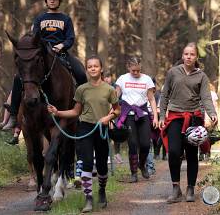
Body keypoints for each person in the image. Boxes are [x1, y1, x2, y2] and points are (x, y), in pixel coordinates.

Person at [4, 0, 87, 144]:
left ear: (59, 0)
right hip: (41, 55)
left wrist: (61, 45)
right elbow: (33, 36)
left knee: (81, 73)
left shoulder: (65, 19)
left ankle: (84, 109)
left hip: (60, 53)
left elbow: (70, 38)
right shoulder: (40, 19)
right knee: (19, 78)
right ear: (46, 0)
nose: (52, 0)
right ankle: (14, 115)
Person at [47, 56, 120, 213]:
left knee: (101, 166)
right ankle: (88, 198)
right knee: (86, 163)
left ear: (101, 69)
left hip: (101, 129)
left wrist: (108, 117)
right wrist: (57, 112)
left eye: (95, 66)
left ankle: (101, 190)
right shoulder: (81, 89)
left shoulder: (109, 89)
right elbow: (75, 111)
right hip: (84, 128)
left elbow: (117, 110)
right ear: (86, 70)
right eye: (89, 66)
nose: (93, 68)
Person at [159, 42, 218, 203]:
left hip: (194, 118)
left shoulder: (201, 76)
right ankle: (175, 187)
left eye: (192, 54)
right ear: (182, 56)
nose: (188, 57)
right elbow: (164, 96)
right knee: (174, 152)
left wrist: (212, 114)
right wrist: (162, 116)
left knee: (192, 154)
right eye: (186, 54)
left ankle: (190, 188)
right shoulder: (173, 72)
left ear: (196, 57)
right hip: (175, 117)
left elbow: (206, 97)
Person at [115, 57, 158, 183]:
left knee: (145, 144)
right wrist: (111, 112)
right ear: (128, 68)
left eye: (138, 71)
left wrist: (155, 116)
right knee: (132, 144)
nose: (136, 73)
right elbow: (115, 96)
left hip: (143, 113)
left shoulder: (147, 79)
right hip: (127, 114)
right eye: (133, 71)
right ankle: (133, 173)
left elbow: (151, 99)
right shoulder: (122, 79)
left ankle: (142, 164)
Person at [103, 72, 123, 164]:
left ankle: (117, 153)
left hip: (115, 113)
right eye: (105, 77)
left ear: (111, 77)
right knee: (106, 133)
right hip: (104, 113)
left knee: (115, 131)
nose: (107, 79)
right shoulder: (101, 86)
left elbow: (121, 100)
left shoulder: (116, 87)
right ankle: (107, 155)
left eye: (108, 77)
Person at [199, 82, 219, 160]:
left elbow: (215, 106)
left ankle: (206, 152)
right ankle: (203, 152)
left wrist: (215, 116)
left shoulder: (212, 94)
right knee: (202, 134)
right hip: (201, 115)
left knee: (206, 134)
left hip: (209, 116)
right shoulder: (199, 93)